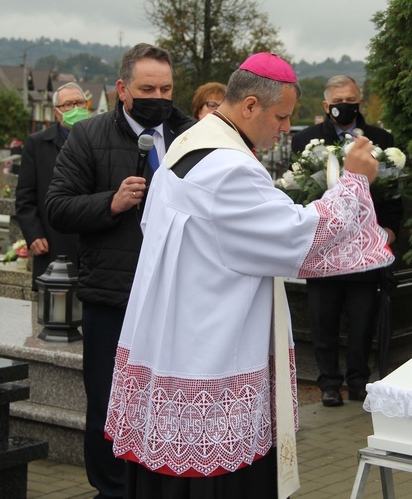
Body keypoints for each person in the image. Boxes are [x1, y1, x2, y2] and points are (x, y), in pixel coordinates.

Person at [103, 53, 393, 499]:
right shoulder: (230, 168)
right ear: (251, 106)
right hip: (211, 353)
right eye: (281, 116)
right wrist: (354, 182)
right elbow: (298, 238)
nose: (284, 128)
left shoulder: (188, 144)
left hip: (169, 340)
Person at [45, 43, 195, 499]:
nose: (159, 96)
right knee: (108, 405)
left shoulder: (192, 135)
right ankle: (111, 490)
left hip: (177, 297)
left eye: (166, 88)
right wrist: (110, 202)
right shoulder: (88, 136)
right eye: (147, 88)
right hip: (113, 296)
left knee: (168, 402)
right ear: (122, 89)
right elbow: (58, 207)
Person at [290, 75, 402, 407]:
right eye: (339, 101)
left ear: (360, 101)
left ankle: (357, 381)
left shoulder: (381, 140)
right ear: (326, 106)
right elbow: (300, 192)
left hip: (364, 251)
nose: (345, 106)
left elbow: (393, 194)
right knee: (322, 318)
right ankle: (328, 382)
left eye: (351, 100)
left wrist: (390, 231)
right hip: (325, 249)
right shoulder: (307, 142)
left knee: (362, 318)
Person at [15, 82, 87, 288]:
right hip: (54, 241)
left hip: (91, 246)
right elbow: (25, 196)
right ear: (56, 112)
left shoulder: (101, 139)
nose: (75, 108)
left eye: (79, 102)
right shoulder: (37, 144)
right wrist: (33, 234)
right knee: (54, 310)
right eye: (68, 105)